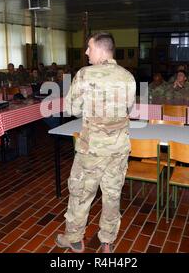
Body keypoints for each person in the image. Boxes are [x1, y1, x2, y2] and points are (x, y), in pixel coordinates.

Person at [56, 32, 136, 253]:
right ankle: (107, 241)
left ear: (101, 50)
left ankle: (74, 239)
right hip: (118, 149)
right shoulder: (128, 76)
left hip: (91, 149)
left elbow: (70, 108)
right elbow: (128, 109)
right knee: (112, 195)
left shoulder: (84, 75)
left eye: (89, 48)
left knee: (81, 193)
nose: (86, 52)